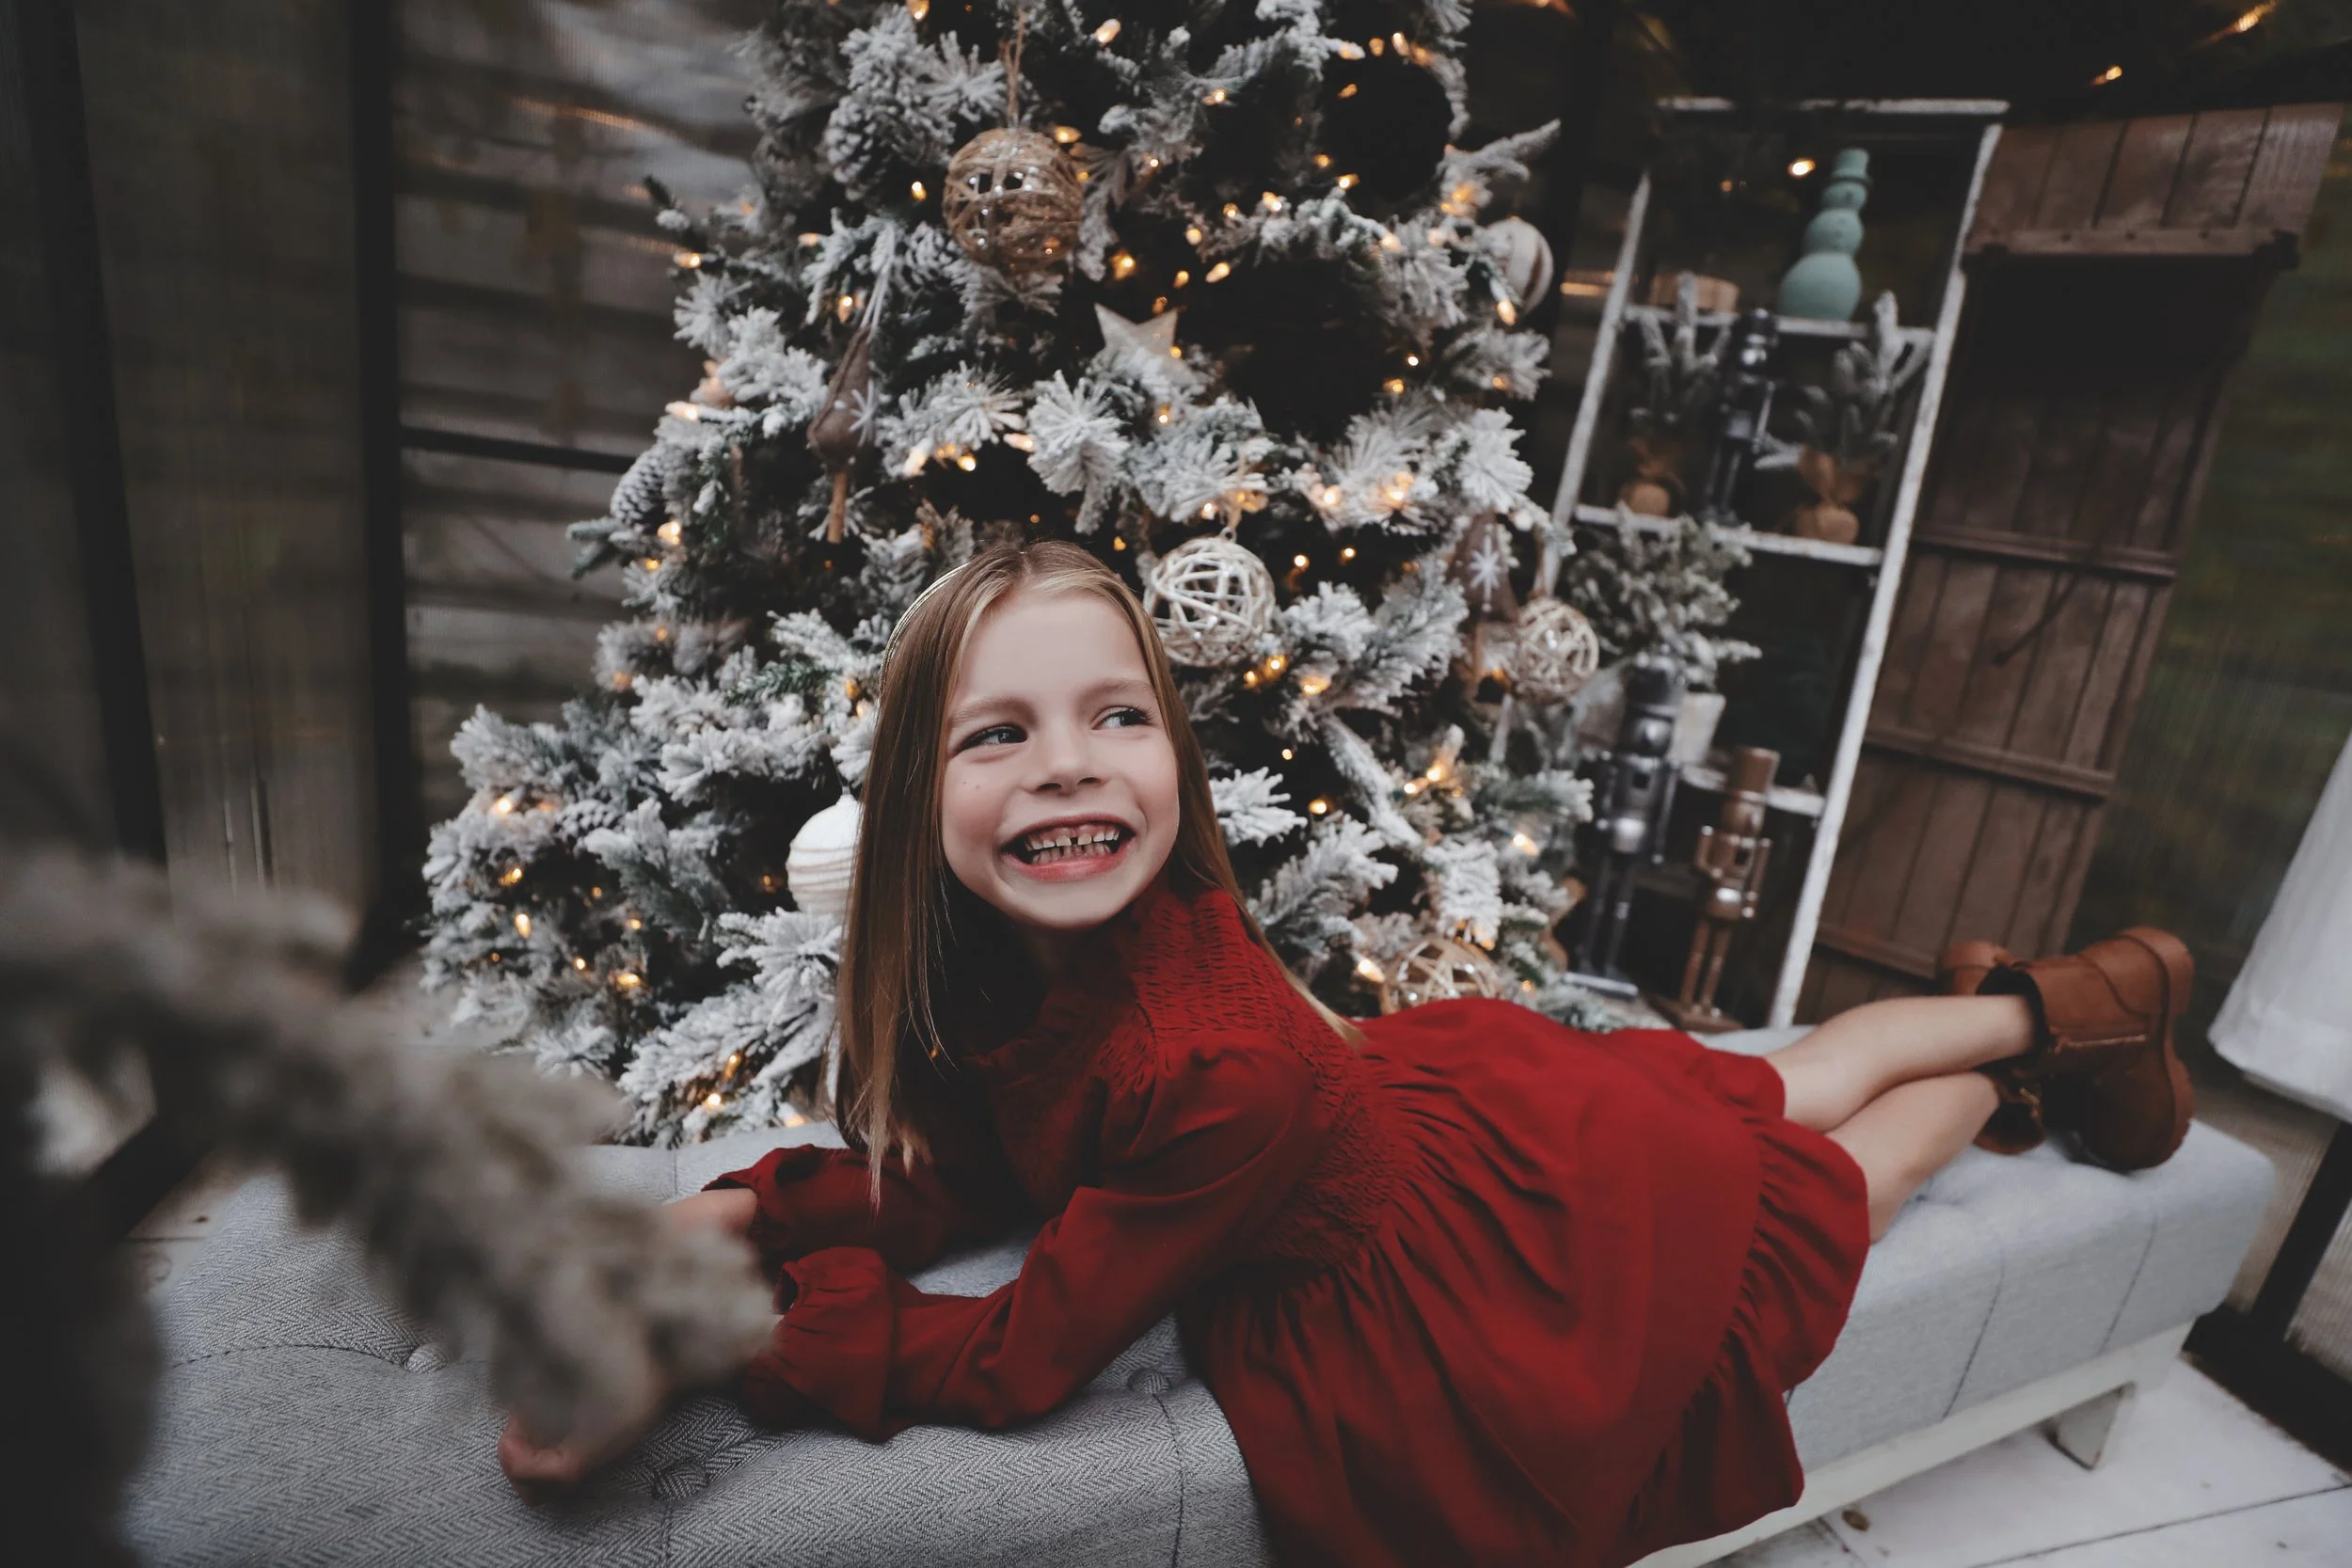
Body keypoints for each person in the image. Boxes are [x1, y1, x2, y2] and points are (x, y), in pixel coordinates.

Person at [500, 540, 2197, 1567]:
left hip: (1490, 1259)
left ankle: (2029, 1049)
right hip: (1448, 1113)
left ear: (1175, 750)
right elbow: (973, 1161)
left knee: (1811, 1175)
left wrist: (744, 1338)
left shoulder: (1215, 1059)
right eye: (999, 735)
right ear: (913, 803)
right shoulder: (990, 954)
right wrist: (765, 1213)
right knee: (1763, 1082)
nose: (1071, 770)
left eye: (1119, 718)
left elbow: (1024, 1354)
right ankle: (2067, 989)